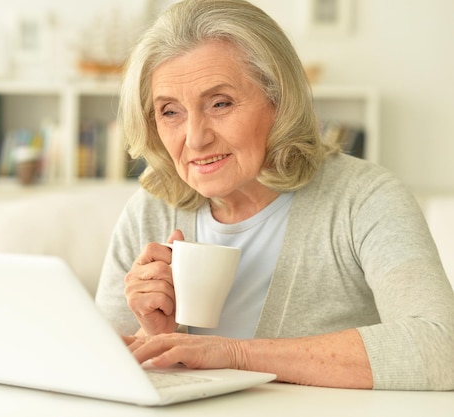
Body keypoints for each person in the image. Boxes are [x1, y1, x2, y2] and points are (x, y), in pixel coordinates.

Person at [94, 0, 454, 391]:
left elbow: (440, 347)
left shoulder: (364, 198)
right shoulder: (150, 210)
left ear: (278, 100)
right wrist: (155, 335)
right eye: (170, 112)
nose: (195, 138)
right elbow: (95, 367)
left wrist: (236, 355)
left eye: (220, 103)